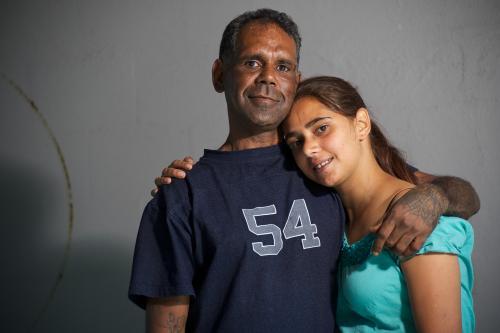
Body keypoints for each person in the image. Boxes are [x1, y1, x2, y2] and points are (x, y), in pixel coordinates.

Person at [130, 9, 479, 333]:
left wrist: (433, 197)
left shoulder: (325, 166)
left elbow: (462, 195)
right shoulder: (182, 196)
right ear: (220, 74)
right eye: (253, 62)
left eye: (283, 67)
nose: (268, 77)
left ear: (296, 80)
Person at [282, 76, 474, 332]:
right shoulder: (330, 212)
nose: (308, 149)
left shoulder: (416, 218)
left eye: (321, 128)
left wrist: (435, 197)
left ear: (361, 124)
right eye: (296, 142)